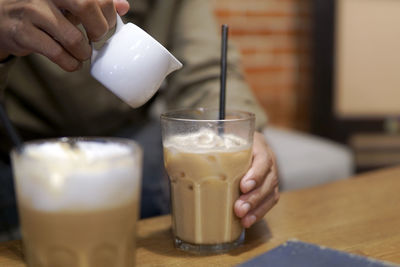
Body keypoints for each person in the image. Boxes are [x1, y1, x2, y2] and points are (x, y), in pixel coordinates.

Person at [0, 0, 279, 239]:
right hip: (15, 148)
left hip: (124, 140)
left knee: (243, 175)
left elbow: (206, 70)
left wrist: (236, 133)